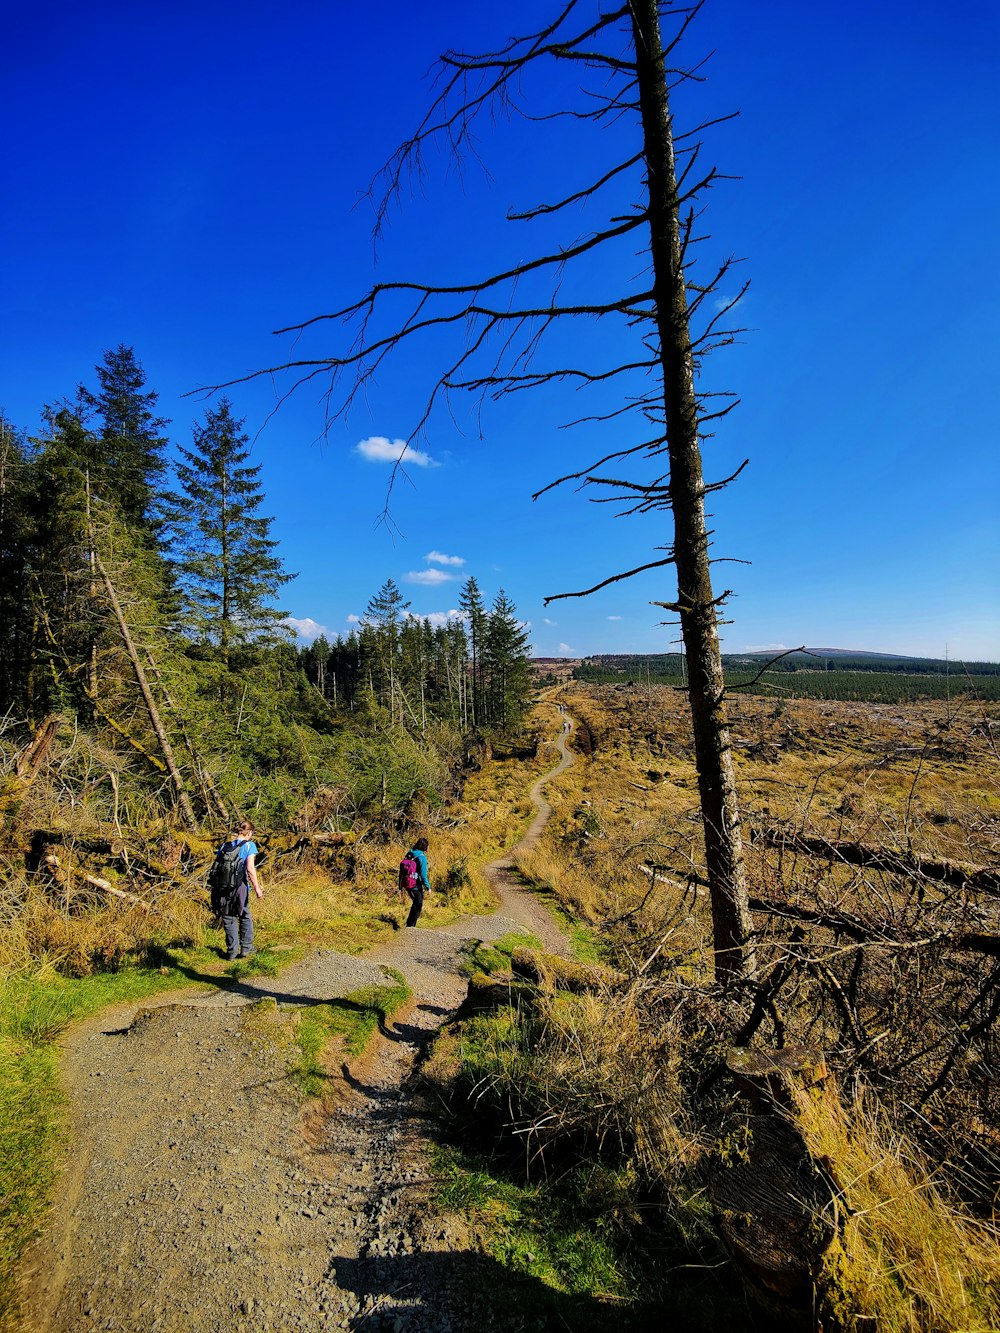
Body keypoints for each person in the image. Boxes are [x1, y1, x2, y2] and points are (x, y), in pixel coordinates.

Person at [219, 819, 263, 960]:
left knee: (228, 916)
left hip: (224, 887)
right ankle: (246, 948)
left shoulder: (224, 846)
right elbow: (250, 868)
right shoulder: (249, 846)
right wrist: (257, 888)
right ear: (249, 832)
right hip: (240, 886)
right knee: (244, 915)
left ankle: (231, 951)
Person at [403, 836, 431, 928]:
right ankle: (411, 926)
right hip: (415, 884)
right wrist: (428, 887)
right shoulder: (422, 857)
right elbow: (423, 875)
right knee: (418, 904)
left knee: (415, 903)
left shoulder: (410, 853)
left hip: (406, 882)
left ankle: (409, 924)